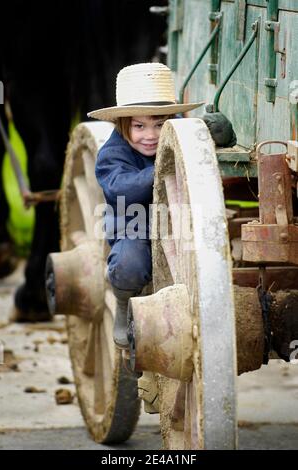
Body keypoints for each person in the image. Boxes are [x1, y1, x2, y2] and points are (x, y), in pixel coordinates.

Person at [88, 62, 236, 349]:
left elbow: (215, 145)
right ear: (122, 124)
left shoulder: (179, 135)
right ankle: (123, 301)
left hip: (183, 225)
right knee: (129, 263)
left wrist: (221, 136)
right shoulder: (112, 153)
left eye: (159, 124)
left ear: (172, 118)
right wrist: (163, 167)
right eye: (139, 126)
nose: (151, 135)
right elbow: (122, 189)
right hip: (135, 227)